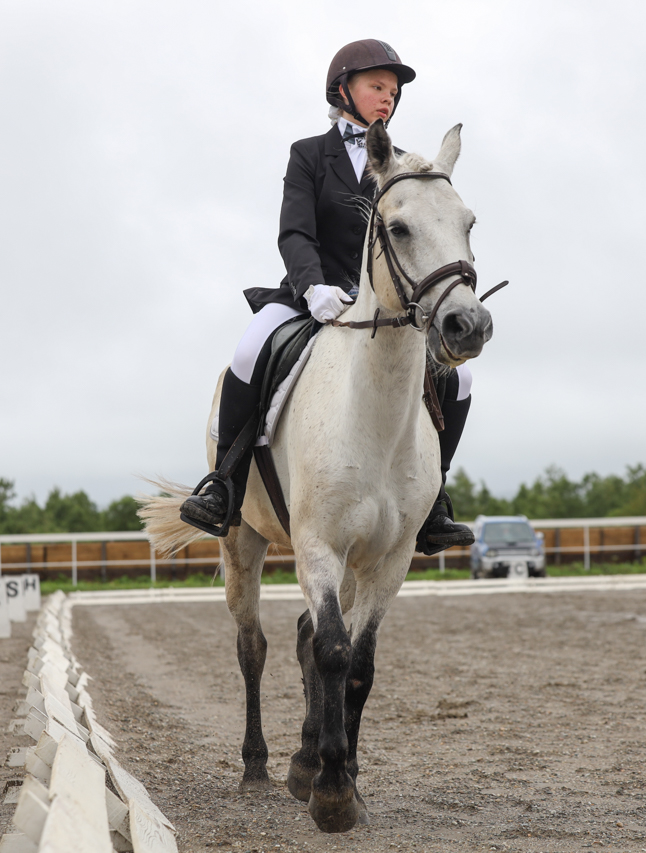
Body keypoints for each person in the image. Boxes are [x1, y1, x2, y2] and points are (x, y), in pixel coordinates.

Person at [180, 39, 475, 554]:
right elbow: (295, 232)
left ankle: (432, 502)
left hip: (389, 306)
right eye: (376, 87)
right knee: (250, 350)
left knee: (461, 377)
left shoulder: (407, 165)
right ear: (343, 90)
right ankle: (224, 484)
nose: (387, 98)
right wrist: (314, 286)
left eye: (393, 90)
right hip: (310, 294)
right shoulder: (309, 154)